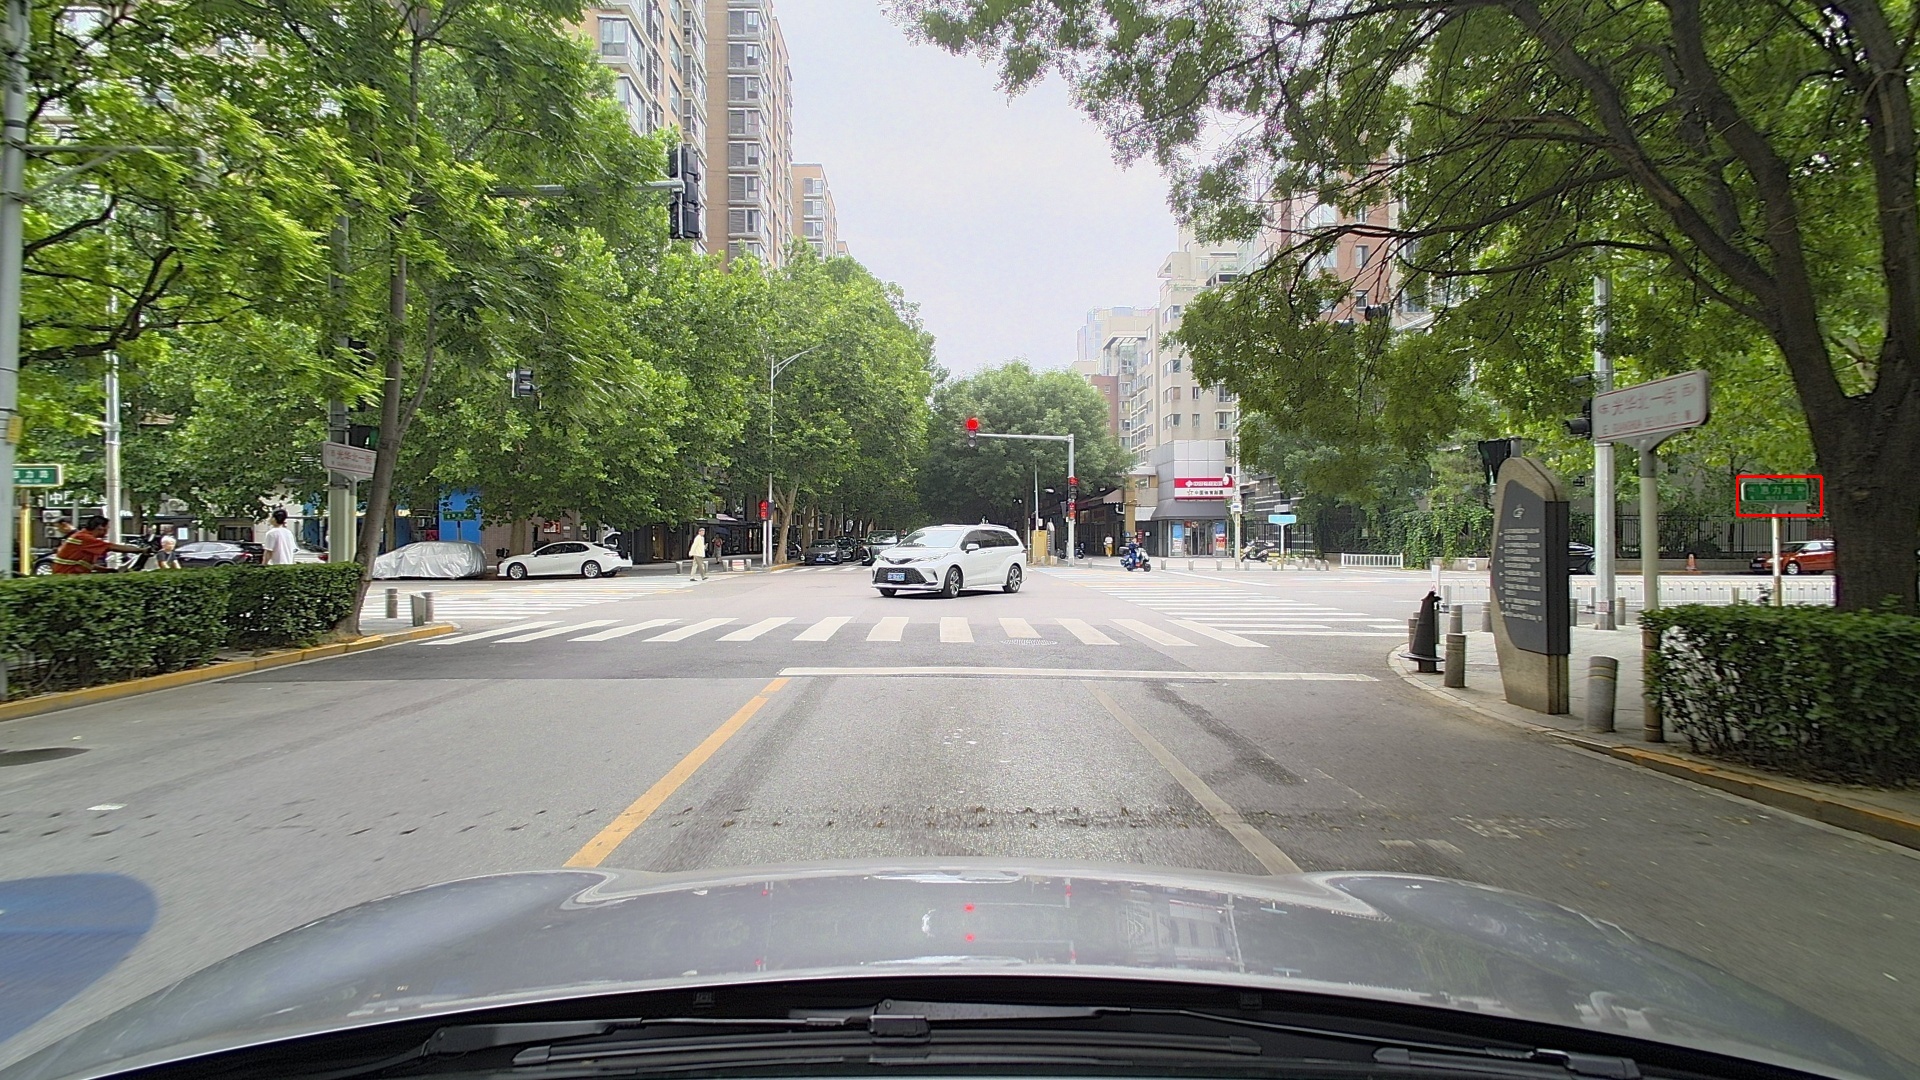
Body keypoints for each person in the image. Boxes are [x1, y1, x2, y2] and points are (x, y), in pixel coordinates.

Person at [51, 515, 146, 574]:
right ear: (100, 527)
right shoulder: (85, 538)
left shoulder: (81, 536)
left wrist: (107, 570)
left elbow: (85, 563)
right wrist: (141, 550)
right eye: (107, 528)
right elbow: (112, 547)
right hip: (68, 574)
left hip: (67, 573)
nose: (107, 531)